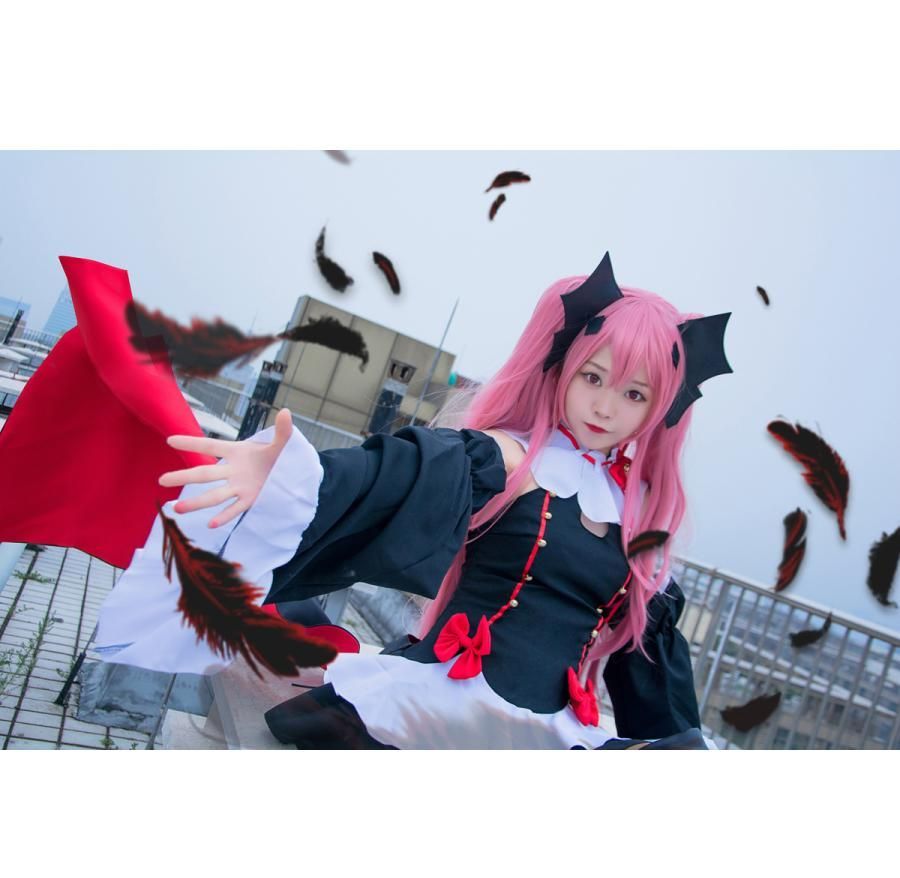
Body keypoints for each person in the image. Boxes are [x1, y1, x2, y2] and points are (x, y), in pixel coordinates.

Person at [157, 251, 734, 750]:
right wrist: (294, 477)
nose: (606, 407)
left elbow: (652, 670)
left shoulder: (637, 522)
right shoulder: (512, 460)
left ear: (660, 407)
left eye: (634, 394)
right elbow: (391, 476)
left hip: (554, 734)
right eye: (593, 378)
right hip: (445, 701)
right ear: (563, 370)